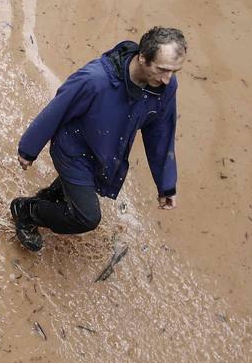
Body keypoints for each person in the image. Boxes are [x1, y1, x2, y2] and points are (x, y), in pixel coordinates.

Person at [10, 27, 185, 252]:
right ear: (142, 58)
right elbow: (58, 109)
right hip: (73, 150)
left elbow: (161, 133)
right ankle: (26, 211)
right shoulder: (95, 80)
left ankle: (49, 198)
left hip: (107, 152)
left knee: (74, 193)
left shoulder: (164, 87)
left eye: (174, 71)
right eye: (162, 70)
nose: (167, 79)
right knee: (87, 217)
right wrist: (28, 149)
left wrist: (166, 184)